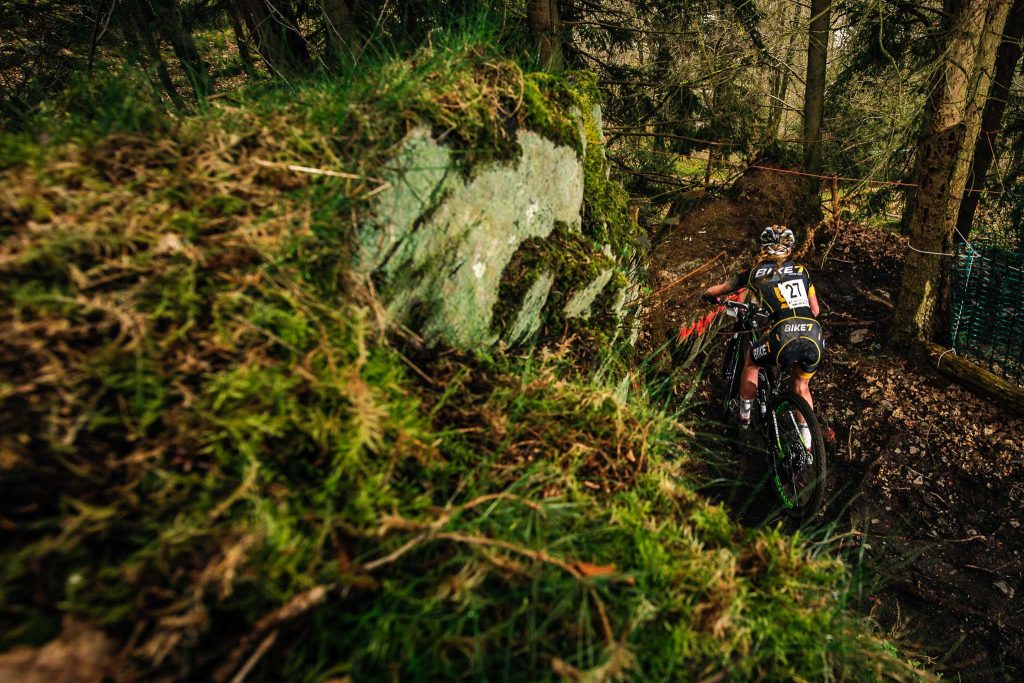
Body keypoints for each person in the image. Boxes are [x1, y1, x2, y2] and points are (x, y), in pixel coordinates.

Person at [702, 225, 823, 449]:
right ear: (789, 249)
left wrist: (706, 296)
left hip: (784, 334)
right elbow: (815, 310)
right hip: (815, 335)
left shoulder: (755, 272)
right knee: (801, 386)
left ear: (763, 248)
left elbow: (716, 290)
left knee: (751, 361)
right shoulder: (802, 271)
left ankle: (744, 417)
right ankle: (807, 445)